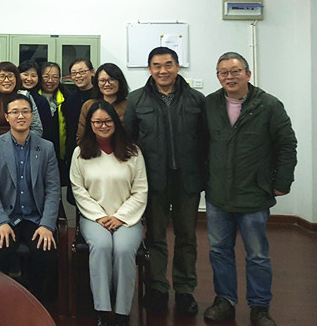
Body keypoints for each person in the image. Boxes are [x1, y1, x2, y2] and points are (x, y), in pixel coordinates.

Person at [202, 52, 297, 326]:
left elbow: (287, 145)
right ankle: (225, 300)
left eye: (235, 71)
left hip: (254, 195)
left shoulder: (268, 105)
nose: (229, 77)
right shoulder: (210, 104)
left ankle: (259, 307)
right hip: (218, 195)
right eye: (223, 73)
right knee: (219, 252)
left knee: (257, 255)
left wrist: (282, 183)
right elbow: (200, 144)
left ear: (247, 74)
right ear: (218, 77)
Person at [122, 47, 206, 315]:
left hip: (188, 181)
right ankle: (158, 287)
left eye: (168, 64)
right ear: (149, 69)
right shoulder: (136, 99)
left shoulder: (196, 99)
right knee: (156, 236)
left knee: (186, 237)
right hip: (153, 180)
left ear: (178, 67)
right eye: (156, 65)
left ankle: (185, 290)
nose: (162, 70)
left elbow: (206, 141)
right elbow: (128, 141)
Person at [70, 101, 148, 326]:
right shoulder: (80, 153)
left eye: (107, 121)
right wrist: (100, 216)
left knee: (123, 249)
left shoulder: (133, 152)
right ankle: (102, 310)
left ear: (116, 122)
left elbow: (140, 190)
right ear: (90, 124)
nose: (103, 125)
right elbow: (78, 190)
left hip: (127, 218)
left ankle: (122, 312)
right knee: (102, 246)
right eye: (97, 122)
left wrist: (120, 217)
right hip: (94, 218)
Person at [0, 94, 60, 305]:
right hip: (7, 216)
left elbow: (53, 189)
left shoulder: (46, 147)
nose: (20, 116)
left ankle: (38, 305)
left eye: (25, 111)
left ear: (32, 116)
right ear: (7, 117)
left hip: (35, 218)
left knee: (46, 254)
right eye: (15, 112)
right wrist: (0, 221)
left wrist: (47, 225)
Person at [0, 61, 42, 151]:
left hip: (26, 149)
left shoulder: (26, 97)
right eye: (2, 76)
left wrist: (22, 147)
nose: (6, 80)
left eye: (10, 76)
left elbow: (36, 128)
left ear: (16, 78)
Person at [39, 61, 76, 187]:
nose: (50, 81)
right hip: (37, 153)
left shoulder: (67, 98)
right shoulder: (32, 98)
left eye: (55, 77)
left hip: (59, 154)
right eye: (46, 76)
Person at [76, 63, 130, 145]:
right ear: (97, 83)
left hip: (123, 150)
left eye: (112, 79)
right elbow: (81, 136)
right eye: (102, 81)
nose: (107, 84)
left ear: (120, 81)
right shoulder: (88, 105)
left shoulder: (129, 105)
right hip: (93, 150)